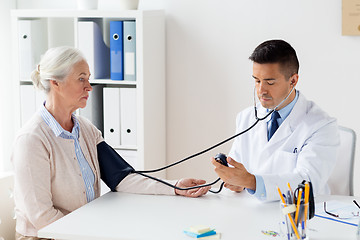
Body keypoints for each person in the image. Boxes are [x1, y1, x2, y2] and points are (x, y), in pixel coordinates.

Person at [11, 46, 210, 239]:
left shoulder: (85, 129)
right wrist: (89, 234)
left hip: (79, 231)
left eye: (88, 79)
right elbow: (42, 218)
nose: (89, 87)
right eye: (81, 79)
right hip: (47, 236)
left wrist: (175, 187)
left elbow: (122, 178)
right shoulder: (32, 140)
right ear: (56, 83)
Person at [211, 39, 339, 201]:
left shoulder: (321, 126)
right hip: (250, 211)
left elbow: (307, 182)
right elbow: (239, 167)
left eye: (270, 82)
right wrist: (235, 181)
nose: (261, 90)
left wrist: (251, 182)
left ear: (293, 81)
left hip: (299, 215)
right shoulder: (246, 117)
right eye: (257, 81)